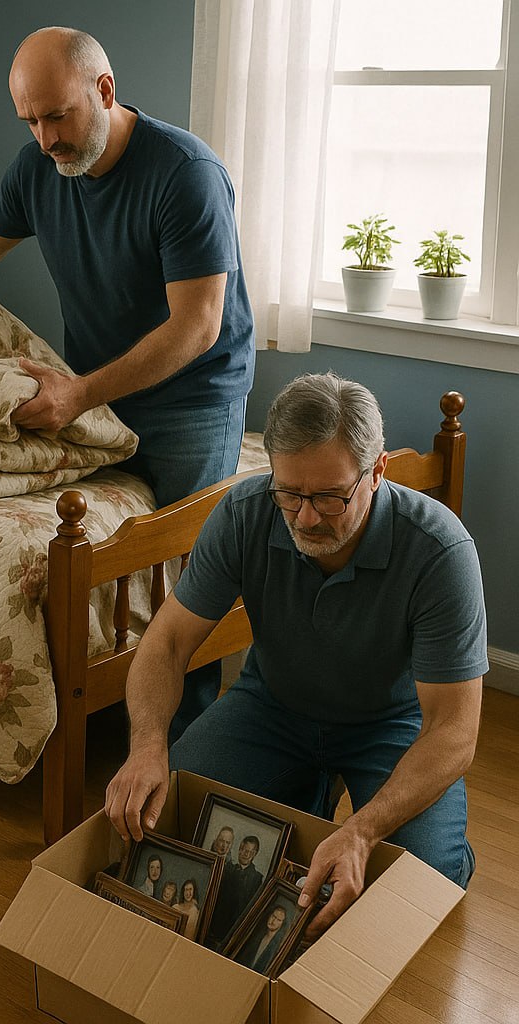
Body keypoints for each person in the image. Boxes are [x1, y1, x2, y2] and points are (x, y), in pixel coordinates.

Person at [0, 26, 255, 737]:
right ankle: (102, 712)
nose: (46, 139)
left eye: (58, 116)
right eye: (30, 122)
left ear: (105, 90)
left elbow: (197, 326)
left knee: (184, 570)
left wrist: (78, 393)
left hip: (192, 398)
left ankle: (184, 746)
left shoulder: (185, 174)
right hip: (97, 392)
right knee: (92, 553)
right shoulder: (37, 168)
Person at [104, 373, 485, 941]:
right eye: (289, 493)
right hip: (273, 707)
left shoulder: (440, 550)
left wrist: (362, 833)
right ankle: (307, 797)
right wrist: (146, 747)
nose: (306, 518)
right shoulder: (244, 512)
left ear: (377, 472)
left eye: (330, 497)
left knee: (419, 885)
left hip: (394, 725)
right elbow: (167, 643)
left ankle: (354, 821)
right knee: (172, 826)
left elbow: (454, 730)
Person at [206, 836, 264, 948]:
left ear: (255, 854)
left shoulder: (257, 879)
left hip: (234, 931)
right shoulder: (227, 869)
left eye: (251, 852)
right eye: (244, 850)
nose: (246, 854)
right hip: (215, 926)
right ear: (239, 849)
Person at [235, 904, 289, 973]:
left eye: (278, 920)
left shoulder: (277, 945)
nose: (273, 921)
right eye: (273, 916)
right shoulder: (257, 936)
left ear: (282, 924)